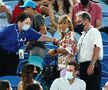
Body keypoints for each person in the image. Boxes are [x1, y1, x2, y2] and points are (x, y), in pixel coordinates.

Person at [0, 12, 58, 77]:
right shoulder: (8, 29)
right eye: (26, 23)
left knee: (11, 75)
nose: (28, 25)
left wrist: (54, 40)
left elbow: (41, 37)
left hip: (13, 55)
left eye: (29, 23)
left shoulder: (28, 31)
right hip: (1, 53)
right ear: (19, 22)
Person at [76, 11, 103, 90]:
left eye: (79, 22)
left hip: (91, 64)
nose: (77, 24)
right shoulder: (83, 35)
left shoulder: (94, 31)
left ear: (86, 21)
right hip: (83, 66)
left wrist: (92, 64)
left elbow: (97, 48)